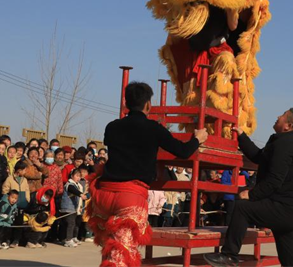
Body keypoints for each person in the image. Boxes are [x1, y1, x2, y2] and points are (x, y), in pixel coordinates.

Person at [88, 81, 206, 267]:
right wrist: (197, 139)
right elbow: (183, 152)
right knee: (122, 253)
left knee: (109, 247)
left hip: (103, 194)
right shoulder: (153, 128)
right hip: (129, 196)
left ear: (126, 104)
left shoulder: (112, 127)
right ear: (148, 105)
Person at [204, 108, 293, 267]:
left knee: (242, 207)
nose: (277, 116)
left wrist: (251, 195)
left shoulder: (285, 144)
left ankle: (229, 256)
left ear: (288, 125)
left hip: (285, 209)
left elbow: (274, 180)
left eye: (282, 115)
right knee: (291, 262)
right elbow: (259, 157)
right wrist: (242, 136)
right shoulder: (285, 141)